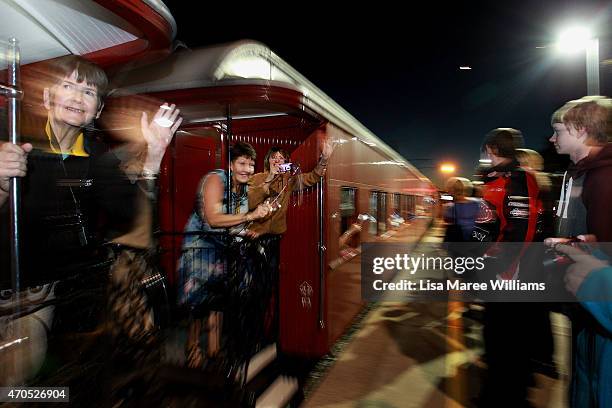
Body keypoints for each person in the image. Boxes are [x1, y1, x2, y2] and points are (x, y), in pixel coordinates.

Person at [0, 55, 181, 391]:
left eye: (88, 92)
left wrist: (154, 154)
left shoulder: (96, 156)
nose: (76, 96)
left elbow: (133, 222)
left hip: (36, 300)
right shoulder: (9, 129)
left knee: (17, 388)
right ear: (46, 97)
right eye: (67, 85)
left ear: (97, 109)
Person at [177, 141, 272, 369]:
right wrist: (250, 217)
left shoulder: (243, 187)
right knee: (197, 305)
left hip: (222, 249)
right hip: (200, 248)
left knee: (218, 302)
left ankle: (214, 349)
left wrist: (245, 231)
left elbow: (233, 223)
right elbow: (213, 218)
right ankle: (192, 350)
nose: (247, 169)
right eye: (242, 163)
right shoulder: (215, 179)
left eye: (251, 165)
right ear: (230, 164)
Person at [476, 128, 551, 408]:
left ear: (492, 148)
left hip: (510, 273)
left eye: (486, 150)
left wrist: (507, 268)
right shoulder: (496, 179)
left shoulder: (519, 179)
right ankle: (496, 392)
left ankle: (507, 397)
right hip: (498, 269)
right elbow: (490, 225)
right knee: (496, 336)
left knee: (507, 340)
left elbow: (523, 228)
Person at [548, 96, 612, 407]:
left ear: (582, 130)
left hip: (600, 307)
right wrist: (575, 243)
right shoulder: (583, 173)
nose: (552, 137)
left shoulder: (604, 177)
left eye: (558, 130)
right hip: (588, 304)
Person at [246, 139, 334, 342]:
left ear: (286, 162)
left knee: (270, 287)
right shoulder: (257, 178)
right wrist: (269, 178)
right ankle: (253, 330)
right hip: (253, 240)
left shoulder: (289, 180)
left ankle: (266, 332)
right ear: (268, 161)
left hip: (273, 240)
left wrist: (325, 158)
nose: (277, 161)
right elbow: (249, 201)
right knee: (254, 287)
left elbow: (313, 177)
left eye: (282, 158)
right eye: (274, 158)